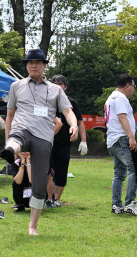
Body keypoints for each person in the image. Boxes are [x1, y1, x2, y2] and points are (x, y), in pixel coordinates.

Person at [0, 49, 78, 236]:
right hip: (22, 129)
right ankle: (10, 149)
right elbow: (9, 116)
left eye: (37, 62)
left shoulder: (56, 89)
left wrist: (73, 125)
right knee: (17, 137)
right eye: (30, 62)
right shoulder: (16, 86)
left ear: (44, 66)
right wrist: (6, 140)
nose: (33, 65)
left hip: (43, 136)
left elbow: (67, 111)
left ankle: (32, 226)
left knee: (41, 183)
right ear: (26, 66)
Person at [105, 74, 137, 216]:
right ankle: (130, 203)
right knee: (136, 168)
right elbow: (122, 117)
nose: (133, 90)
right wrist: (131, 137)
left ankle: (116, 204)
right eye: (133, 86)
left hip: (113, 139)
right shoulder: (121, 98)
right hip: (121, 139)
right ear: (128, 85)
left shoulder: (111, 97)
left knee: (119, 173)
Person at [47, 74, 87, 208]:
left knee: (61, 171)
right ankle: (47, 197)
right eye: (55, 84)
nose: (58, 87)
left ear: (65, 86)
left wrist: (83, 141)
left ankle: (57, 199)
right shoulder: (47, 101)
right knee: (46, 170)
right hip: (47, 142)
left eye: (61, 84)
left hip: (64, 142)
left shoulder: (72, 103)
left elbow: (80, 122)